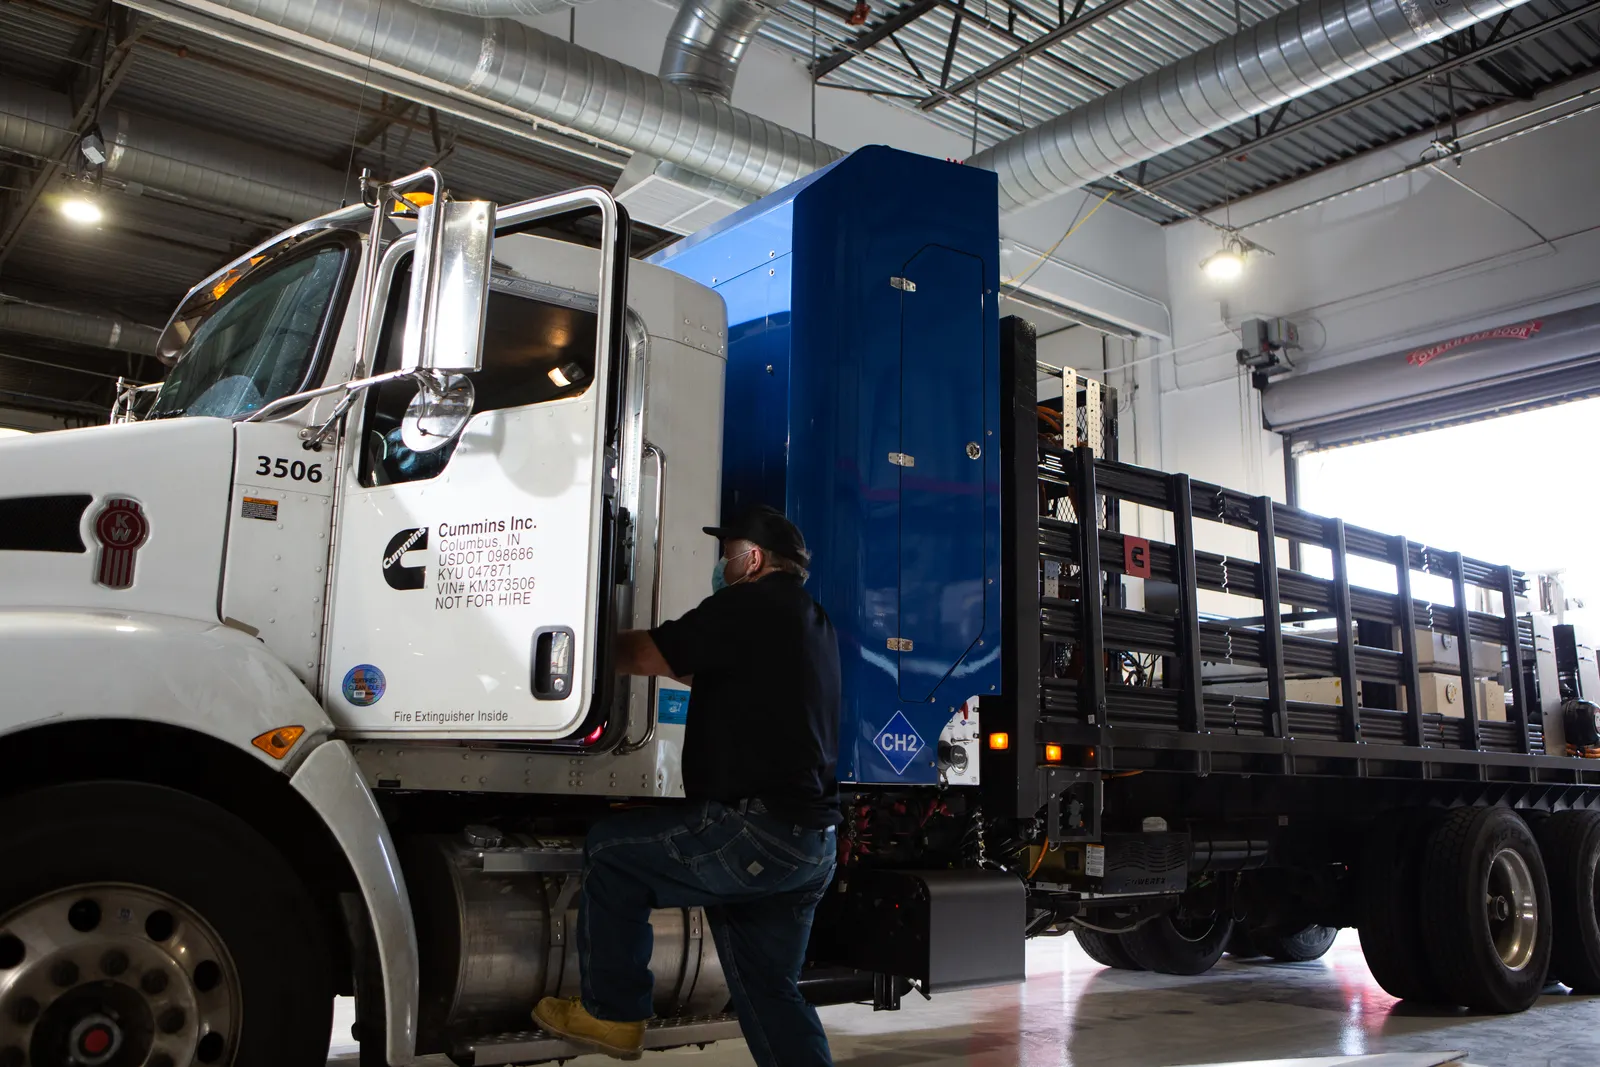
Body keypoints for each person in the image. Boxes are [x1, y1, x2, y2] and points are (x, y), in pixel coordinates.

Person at [532, 505, 842, 1066]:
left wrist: (562, 641)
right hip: (810, 843)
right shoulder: (808, 619)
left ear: (752, 560)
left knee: (612, 852)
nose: (721, 566)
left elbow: (646, 653)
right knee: (769, 988)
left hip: (753, 830)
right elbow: (714, 672)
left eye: (727, 555)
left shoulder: (745, 605)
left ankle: (615, 1014)